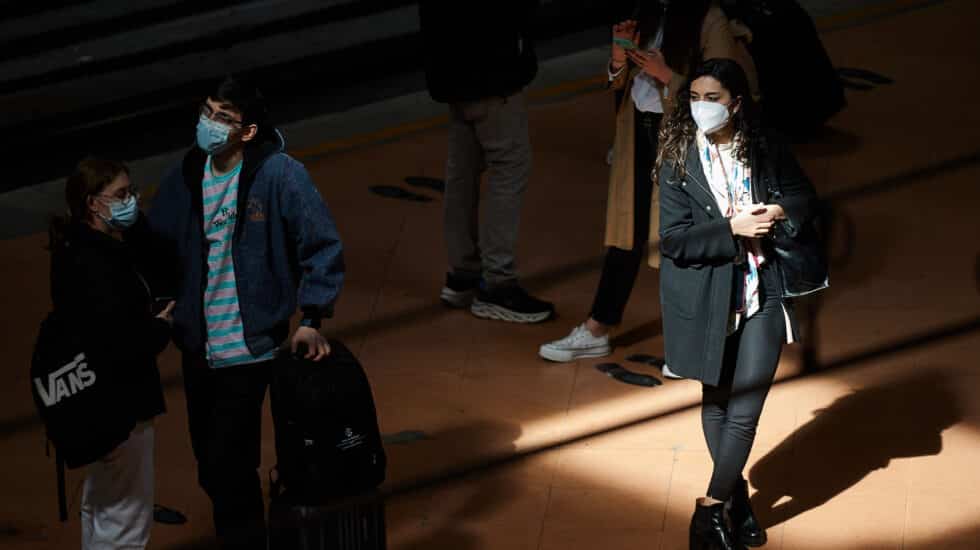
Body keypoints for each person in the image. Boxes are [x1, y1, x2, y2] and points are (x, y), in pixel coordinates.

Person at [147, 75, 344, 548]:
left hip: (250, 350)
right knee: (212, 469)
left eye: (224, 118)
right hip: (199, 348)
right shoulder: (187, 174)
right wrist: (161, 299)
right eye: (207, 111)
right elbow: (158, 247)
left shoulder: (278, 175)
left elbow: (321, 245)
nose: (209, 124)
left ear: (248, 131)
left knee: (230, 465)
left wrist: (312, 319)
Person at [539, 0, 758, 371]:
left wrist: (666, 75)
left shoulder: (709, 18)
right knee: (627, 234)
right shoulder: (646, 11)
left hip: (684, 140)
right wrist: (619, 56)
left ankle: (695, 341)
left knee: (686, 238)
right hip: (640, 133)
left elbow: (723, 89)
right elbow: (621, 84)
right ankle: (597, 327)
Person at [655, 58, 820, 549]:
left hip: (763, 289)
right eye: (695, 98)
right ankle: (736, 498)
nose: (702, 108)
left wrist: (780, 209)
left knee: (745, 407)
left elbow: (806, 198)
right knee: (717, 401)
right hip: (709, 297)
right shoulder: (679, 160)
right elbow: (674, 241)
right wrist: (731, 228)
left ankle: (708, 509)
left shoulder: (764, 147)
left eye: (714, 98)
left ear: (737, 103)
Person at [49, 158, 174, 549]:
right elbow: (117, 341)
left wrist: (135, 228)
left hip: (95, 405)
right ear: (92, 203)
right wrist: (158, 327)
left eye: (131, 192)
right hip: (120, 406)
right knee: (126, 522)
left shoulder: (76, 249)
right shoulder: (97, 262)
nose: (131, 201)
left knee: (103, 507)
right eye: (120, 195)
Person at [418, 0, 555, 323]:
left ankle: (462, 275)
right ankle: (498, 283)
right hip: (492, 72)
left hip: (450, 72)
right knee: (509, 168)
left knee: (462, 171)